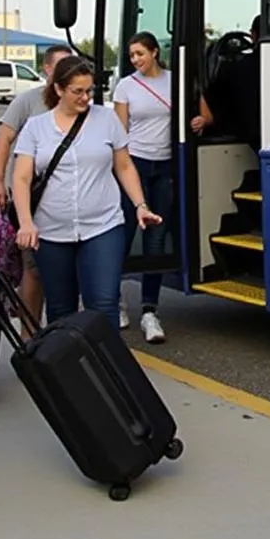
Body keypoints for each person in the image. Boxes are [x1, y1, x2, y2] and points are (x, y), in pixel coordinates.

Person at [12, 55, 162, 331]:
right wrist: (25, 222)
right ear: (58, 89)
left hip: (103, 226)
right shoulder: (36, 127)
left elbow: (125, 165)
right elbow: (21, 178)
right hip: (51, 231)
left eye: (89, 90)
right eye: (77, 92)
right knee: (61, 309)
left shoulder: (106, 119)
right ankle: (68, 372)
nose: (85, 98)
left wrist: (140, 204)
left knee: (104, 304)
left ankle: (108, 371)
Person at [0, 43, 71, 334]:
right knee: (33, 270)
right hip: (34, 201)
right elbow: (3, 140)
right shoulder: (28, 101)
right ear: (47, 69)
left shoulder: (78, 102)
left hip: (69, 204)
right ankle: (30, 334)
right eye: (60, 66)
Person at [112, 32, 173, 344]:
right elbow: (119, 132)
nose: (135, 60)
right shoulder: (126, 85)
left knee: (156, 240)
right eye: (132, 55)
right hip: (135, 165)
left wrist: (200, 121)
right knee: (123, 237)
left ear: (154, 53)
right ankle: (116, 301)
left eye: (140, 54)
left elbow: (203, 113)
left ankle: (150, 311)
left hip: (165, 167)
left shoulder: (174, 81)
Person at [191, 15, 261, 152]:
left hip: (249, 137)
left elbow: (211, 95)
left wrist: (205, 120)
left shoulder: (236, 69)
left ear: (253, 34)